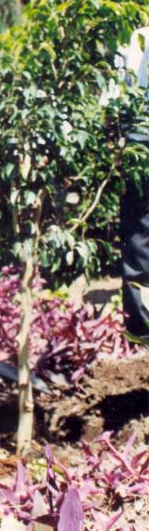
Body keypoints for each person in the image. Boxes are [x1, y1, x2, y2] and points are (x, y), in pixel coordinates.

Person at [120, 24, 149, 340]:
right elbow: (127, 92)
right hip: (143, 144)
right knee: (139, 236)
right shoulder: (140, 39)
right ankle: (141, 327)